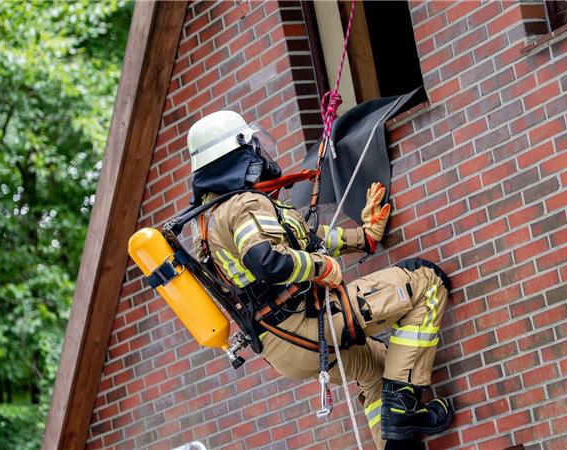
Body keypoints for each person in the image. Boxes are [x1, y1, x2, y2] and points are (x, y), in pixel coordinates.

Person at [187, 110, 453, 448]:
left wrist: (364, 238)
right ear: (239, 152)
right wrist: (322, 268)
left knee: (376, 367)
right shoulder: (243, 205)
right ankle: (403, 410)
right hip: (306, 325)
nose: (262, 153)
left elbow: (303, 239)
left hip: (281, 346)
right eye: (255, 145)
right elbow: (268, 261)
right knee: (425, 281)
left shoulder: (209, 221)